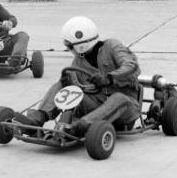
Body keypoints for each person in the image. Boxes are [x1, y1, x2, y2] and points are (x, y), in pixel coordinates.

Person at [13, 16, 141, 137]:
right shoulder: (79, 60)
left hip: (125, 107)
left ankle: (80, 127)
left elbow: (132, 66)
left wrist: (109, 78)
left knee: (118, 98)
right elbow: (76, 88)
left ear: (80, 45)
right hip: (97, 105)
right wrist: (70, 83)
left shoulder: (112, 46)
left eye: (69, 46)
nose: (69, 49)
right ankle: (37, 118)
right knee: (62, 85)